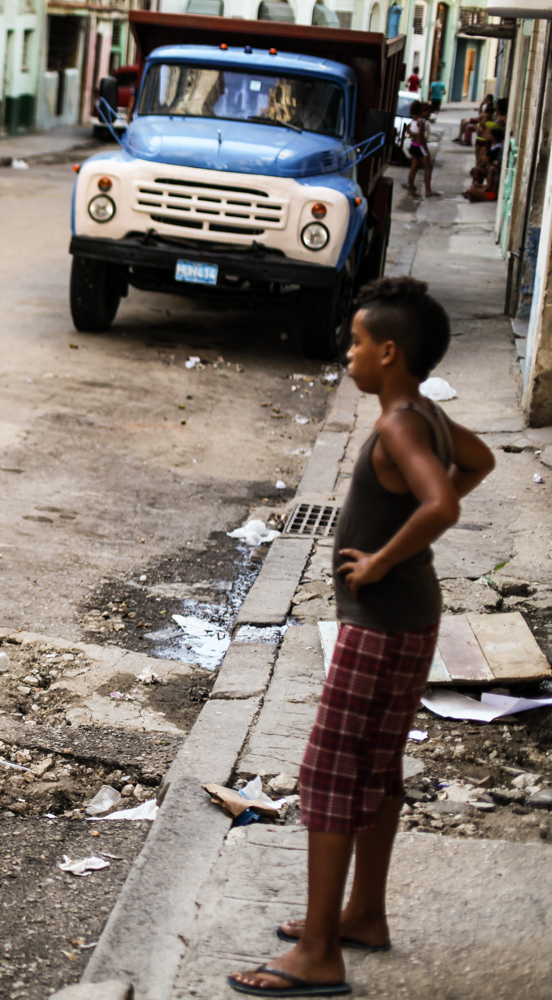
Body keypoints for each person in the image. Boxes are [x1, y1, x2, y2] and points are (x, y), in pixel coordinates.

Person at [226, 278, 495, 997]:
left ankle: (318, 954)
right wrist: (403, 542)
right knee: (376, 773)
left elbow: (441, 503)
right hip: (410, 620)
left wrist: (380, 558)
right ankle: (364, 914)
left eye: (354, 342)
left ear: (389, 350)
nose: (347, 353)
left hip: (380, 626)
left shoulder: (400, 424)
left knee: (330, 778)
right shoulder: (425, 415)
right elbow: (478, 464)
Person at [404, 101, 434, 198]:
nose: (429, 114)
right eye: (428, 111)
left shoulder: (414, 120)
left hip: (413, 145)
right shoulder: (421, 121)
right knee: (428, 168)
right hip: (419, 147)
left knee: (413, 168)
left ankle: (410, 189)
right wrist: (426, 151)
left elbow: (407, 129)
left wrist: (411, 134)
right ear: (423, 111)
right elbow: (421, 138)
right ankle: (428, 190)